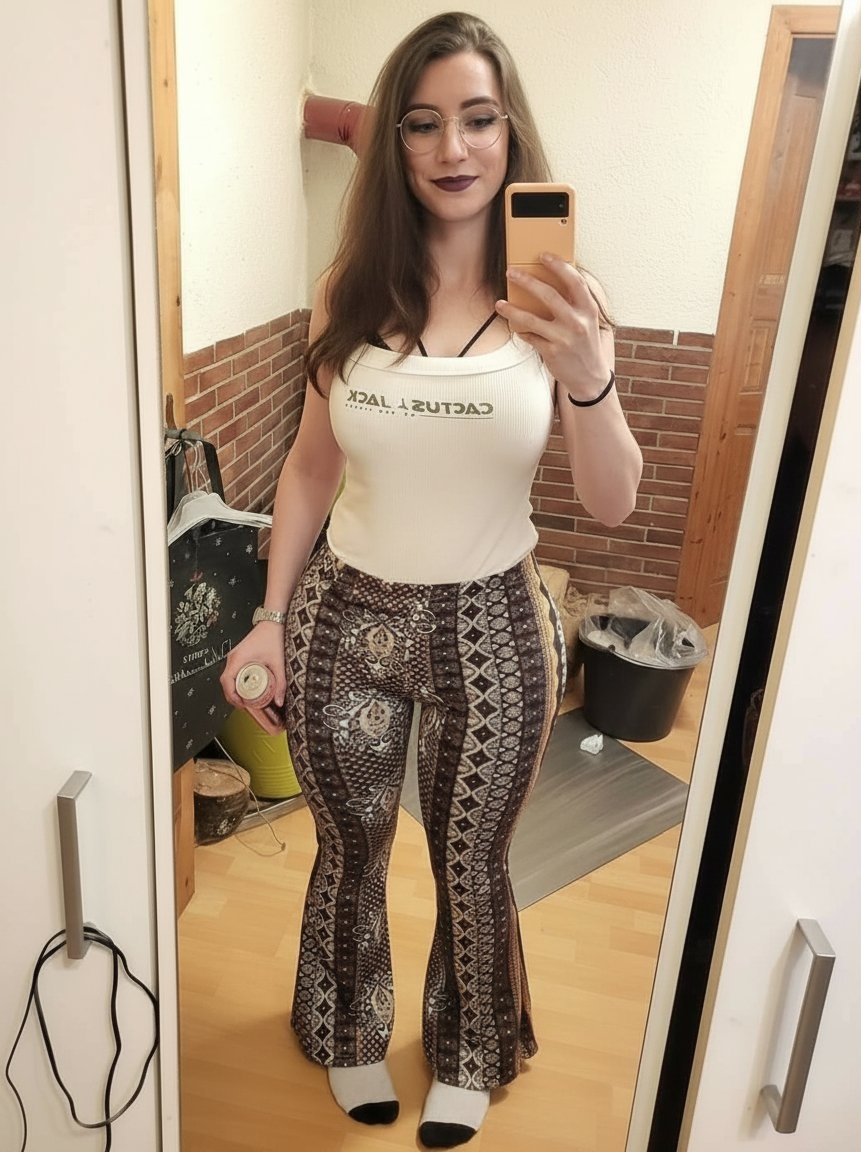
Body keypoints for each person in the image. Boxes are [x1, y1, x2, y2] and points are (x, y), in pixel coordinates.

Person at [221, 11, 642, 1148]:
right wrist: (268, 617)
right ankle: (347, 1033)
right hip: (344, 616)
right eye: (421, 123)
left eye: (477, 119)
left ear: (510, 134)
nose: (452, 148)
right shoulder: (350, 292)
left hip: (492, 624)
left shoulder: (562, 305)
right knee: (349, 847)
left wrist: (590, 378)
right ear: (394, 145)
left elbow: (612, 501)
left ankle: (469, 1052)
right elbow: (309, 470)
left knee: (472, 858)